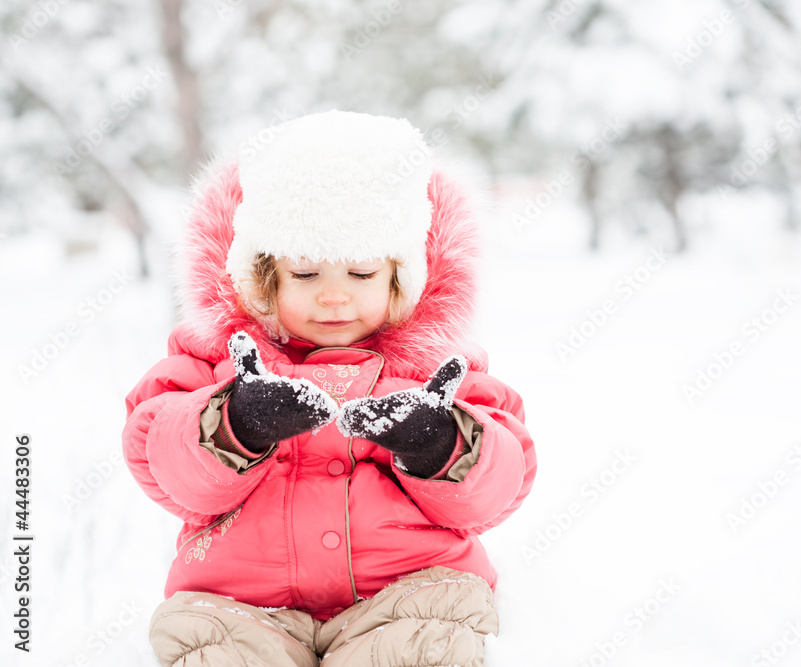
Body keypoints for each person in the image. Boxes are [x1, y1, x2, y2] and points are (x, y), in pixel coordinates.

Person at [122, 109, 536, 667]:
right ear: (263, 276)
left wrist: (441, 445)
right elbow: (163, 457)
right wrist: (235, 425)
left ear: (401, 278)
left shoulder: (438, 370)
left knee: (433, 634)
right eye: (307, 275)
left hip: (403, 595)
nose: (334, 297)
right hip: (241, 605)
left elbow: (497, 485)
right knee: (207, 643)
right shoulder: (215, 362)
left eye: (361, 275)